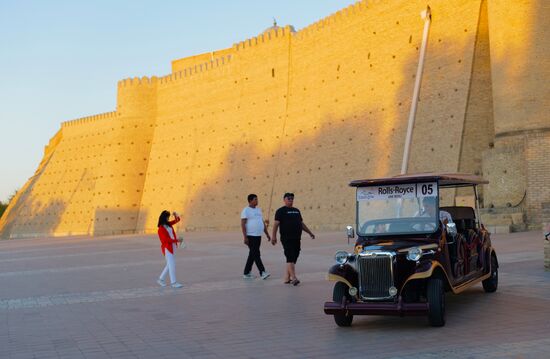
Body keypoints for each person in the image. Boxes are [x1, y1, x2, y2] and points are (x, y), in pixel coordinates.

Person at [271, 193, 315, 286]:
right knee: (290, 256)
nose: (291, 200)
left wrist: (310, 232)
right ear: (284, 199)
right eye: (289, 198)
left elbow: (301, 224)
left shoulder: (296, 211)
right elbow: (275, 225)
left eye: (292, 199)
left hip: (297, 238)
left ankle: (287, 277)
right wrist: (273, 237)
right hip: (286, 238)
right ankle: (293, 278)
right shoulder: (280, 211)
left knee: (295, 255)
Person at [241, 194, 271, 280]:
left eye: (257, 199)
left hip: (258, 235)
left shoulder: (258, 210)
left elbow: (262, 222)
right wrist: (245, 237)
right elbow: (242, 224)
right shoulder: (246, 210)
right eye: (255, 199)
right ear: (250, 201)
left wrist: (267, 234)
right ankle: (262, 272)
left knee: (252, 254)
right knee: (256, 254)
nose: (257, 201)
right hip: (250, 236)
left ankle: (246, 273)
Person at [156, 210, 184, 288]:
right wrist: (177, 240)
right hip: (167, 248)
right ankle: (173, 282)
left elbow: (177, 220)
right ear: (163, 218)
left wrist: (176, 215)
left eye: (168, 217)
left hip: (173, 246)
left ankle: (160, 279)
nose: (168, 219)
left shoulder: (168, 225)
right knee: (172, 265)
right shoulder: (160, 229)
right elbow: (166, 240)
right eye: (167, 217)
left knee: (169, 265)